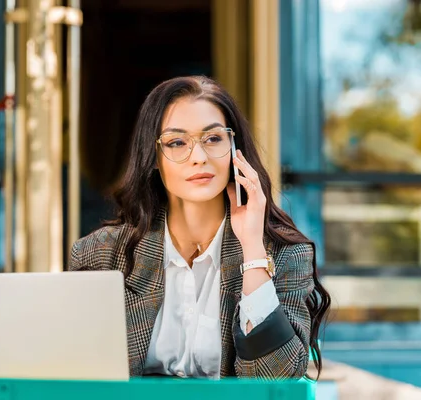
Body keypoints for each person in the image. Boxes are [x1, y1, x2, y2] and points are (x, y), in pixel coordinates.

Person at [69, 76, 331, 380]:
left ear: (235, 148)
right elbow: (82, 374)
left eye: (213, 139)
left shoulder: (285, 254)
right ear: (153, 157)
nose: (199, 158)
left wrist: (254, 254)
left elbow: (274, 379)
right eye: (177, 142)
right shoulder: (101, 253)